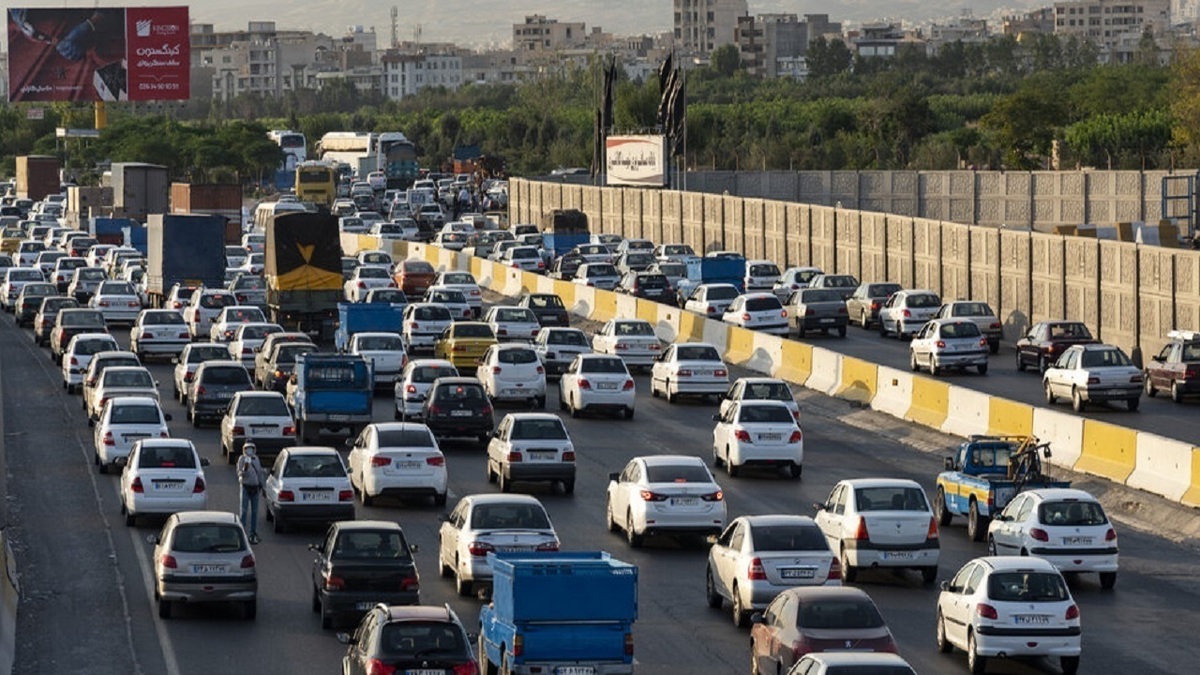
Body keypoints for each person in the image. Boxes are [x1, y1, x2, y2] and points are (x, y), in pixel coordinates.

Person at [237, 441, 266, 544]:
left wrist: (263, 487)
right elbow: (240, 474)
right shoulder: (242, 459)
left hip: (255, 488)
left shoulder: (256, 459)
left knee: (254, 512)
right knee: (243, 511)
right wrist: (245, 468)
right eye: (247, 448)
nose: (249, 450)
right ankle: (242, 534)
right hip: (245, 487)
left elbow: (259, 473)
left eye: (251, 448)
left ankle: (253, 533)